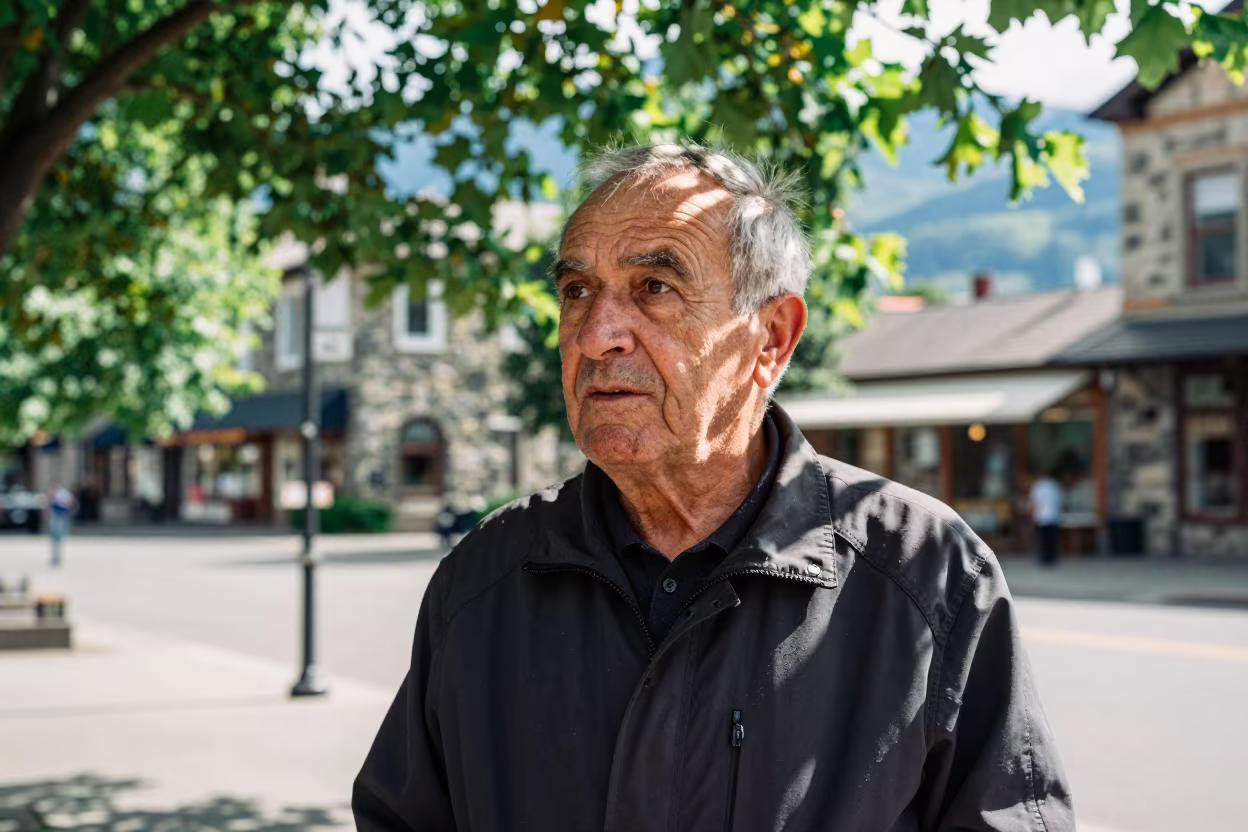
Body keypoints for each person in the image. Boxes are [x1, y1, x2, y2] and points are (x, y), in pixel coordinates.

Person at [354, 145, 1072, 830]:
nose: (597, 333)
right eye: (577, 291)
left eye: (654, 288)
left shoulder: (929, 575)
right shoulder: (482, 583)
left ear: (771, 338)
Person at [1029, 469, 1064, 567]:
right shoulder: (1054, 485)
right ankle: (1051, 557)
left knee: (1043, 539)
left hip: (1042, 516)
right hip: (1052, 516)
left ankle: (1045, 557)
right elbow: (1059, 500)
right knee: (1051, 539)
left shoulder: (1038, 486)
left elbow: (1034, 501)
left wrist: (1032, 514)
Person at [47, 481, 75, 568]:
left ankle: (57, 556)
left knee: (59, 535)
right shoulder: (52, 493)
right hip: (55, 515)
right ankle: (55, 555)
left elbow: (69, 502)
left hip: (61, 515)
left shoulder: (63, 493)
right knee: (55, 536)